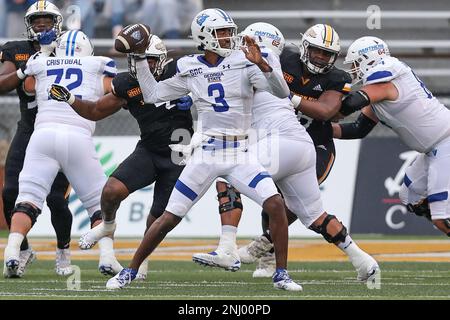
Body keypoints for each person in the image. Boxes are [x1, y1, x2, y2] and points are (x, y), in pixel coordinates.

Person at [71, 8, 302, 291]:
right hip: (206, 153)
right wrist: (141, 59)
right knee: (168, 218)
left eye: (230, 31)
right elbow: (154, 95)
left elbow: (281, 93)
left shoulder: (246, 61)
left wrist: (265, 66)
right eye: (222, 32)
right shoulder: (189, 66)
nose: (230, 37)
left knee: (275, 204)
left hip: (240, 152)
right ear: (205, 36)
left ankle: (281, 274)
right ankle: (130, 271)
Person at [192, 23, 380, 283]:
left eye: (326, 54)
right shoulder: (282, 59)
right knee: (307, 213)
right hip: (288, 141)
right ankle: (362, 260)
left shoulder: (335, 77)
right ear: (304, 48)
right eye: (316, 51)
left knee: (238, 174)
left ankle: (235, 247)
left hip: (314, 143)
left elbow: (326, 112)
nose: (320, 57)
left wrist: (285, 94)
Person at [50, 35, 194, 280]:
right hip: (149, 149)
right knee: (111, 191)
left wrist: (194, 96)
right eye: (139, 59)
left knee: (159, 215)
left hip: (179, 153)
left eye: (149, 60)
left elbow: (216, 85)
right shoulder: (128, 82)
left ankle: (142, 261)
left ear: (161, 59)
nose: (144, 65)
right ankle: (107, 224)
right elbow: (95, 111)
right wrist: (71, 99)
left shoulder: (178, 71)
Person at [2, 29, 123, 278]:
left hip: (43, 135)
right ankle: (107, 256)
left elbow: (28, 87)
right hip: (77, 136)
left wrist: (42, 60)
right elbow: (114, 90)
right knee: (99, 205)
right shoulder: (96, 64)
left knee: (28, 198)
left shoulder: (42, 62)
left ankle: (12, 249)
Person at [332, 36, 450, 237]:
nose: (353, 70)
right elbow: (358, 129)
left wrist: (322, 109)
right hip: (433, 149)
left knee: (441, 218)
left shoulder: (385, 82)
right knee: (410, 195)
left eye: (355, 64)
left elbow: (349, 105)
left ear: (367, 60)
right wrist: (319, 128)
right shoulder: (380, 92)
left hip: (445, 142)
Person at [0, 0, 74, 277]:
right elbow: (1, 84)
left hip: (62, 128)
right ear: (28, 25)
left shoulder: (71, 47)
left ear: (58, 22)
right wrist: (24, 70)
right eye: (36, 21)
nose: (41, 24)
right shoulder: (17, 50)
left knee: (56, 198)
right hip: (30, 129)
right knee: (9, 194)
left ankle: (63, 252)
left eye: (47, 20)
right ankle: (23, 250)